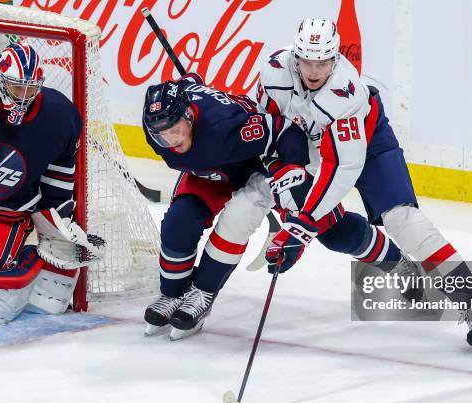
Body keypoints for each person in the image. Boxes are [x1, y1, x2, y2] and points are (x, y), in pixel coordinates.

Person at [223, 18, 472, 352]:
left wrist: (299, 225)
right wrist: (282, 177)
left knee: (405, 221)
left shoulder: (346, 93)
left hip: (367, 146)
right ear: (295, 57)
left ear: (335, 58)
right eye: (307, 61)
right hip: (306, 148)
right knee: (331, 231)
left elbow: (342, 169)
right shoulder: (273, 71)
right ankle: (395, 263)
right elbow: (266, 124)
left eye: (323, 62)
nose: (314, 70)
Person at [141, 72, 417, 340]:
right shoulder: (156, 123)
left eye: (175, 130)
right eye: (161, 135)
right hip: (212, 171)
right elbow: (188, 82)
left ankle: (396, 262)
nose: (170, 140)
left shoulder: (227, 125)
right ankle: (173, 294)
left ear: (188, 115)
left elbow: (284, 131)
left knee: (331, 231)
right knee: (180, 221)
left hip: (262, 164)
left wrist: (293, 168)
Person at [0, 42, 105, 326]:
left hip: (10, 209)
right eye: (17, 88)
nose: (24, 96)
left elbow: (60, 173)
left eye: (31, 88)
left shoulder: (58, 116)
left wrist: (59, 220)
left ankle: (32, 257)